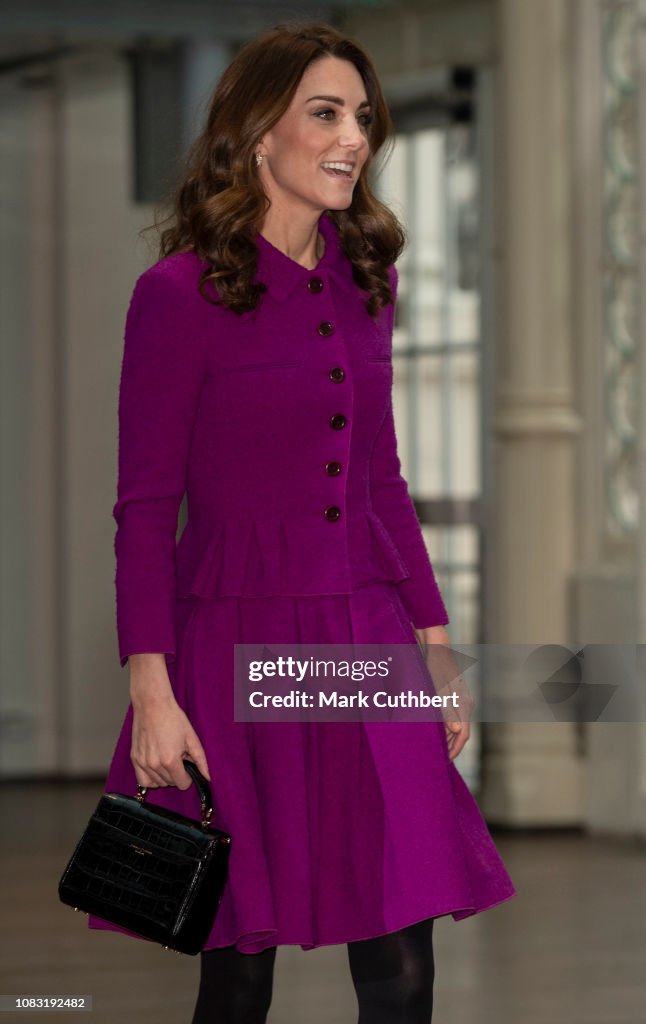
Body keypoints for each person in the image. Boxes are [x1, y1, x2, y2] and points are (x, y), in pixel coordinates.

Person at [88, 21, 517, 1023]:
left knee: (403, 954)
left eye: (363, 117)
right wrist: (151, 691)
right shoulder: (177, 297)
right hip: (231, 641)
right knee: (238, 965)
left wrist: (435, 643)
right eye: (324, 112)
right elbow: (144, 512)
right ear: (255, 134)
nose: (354, 136)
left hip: (364, 634)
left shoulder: (367, 284)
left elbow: (382, 482)